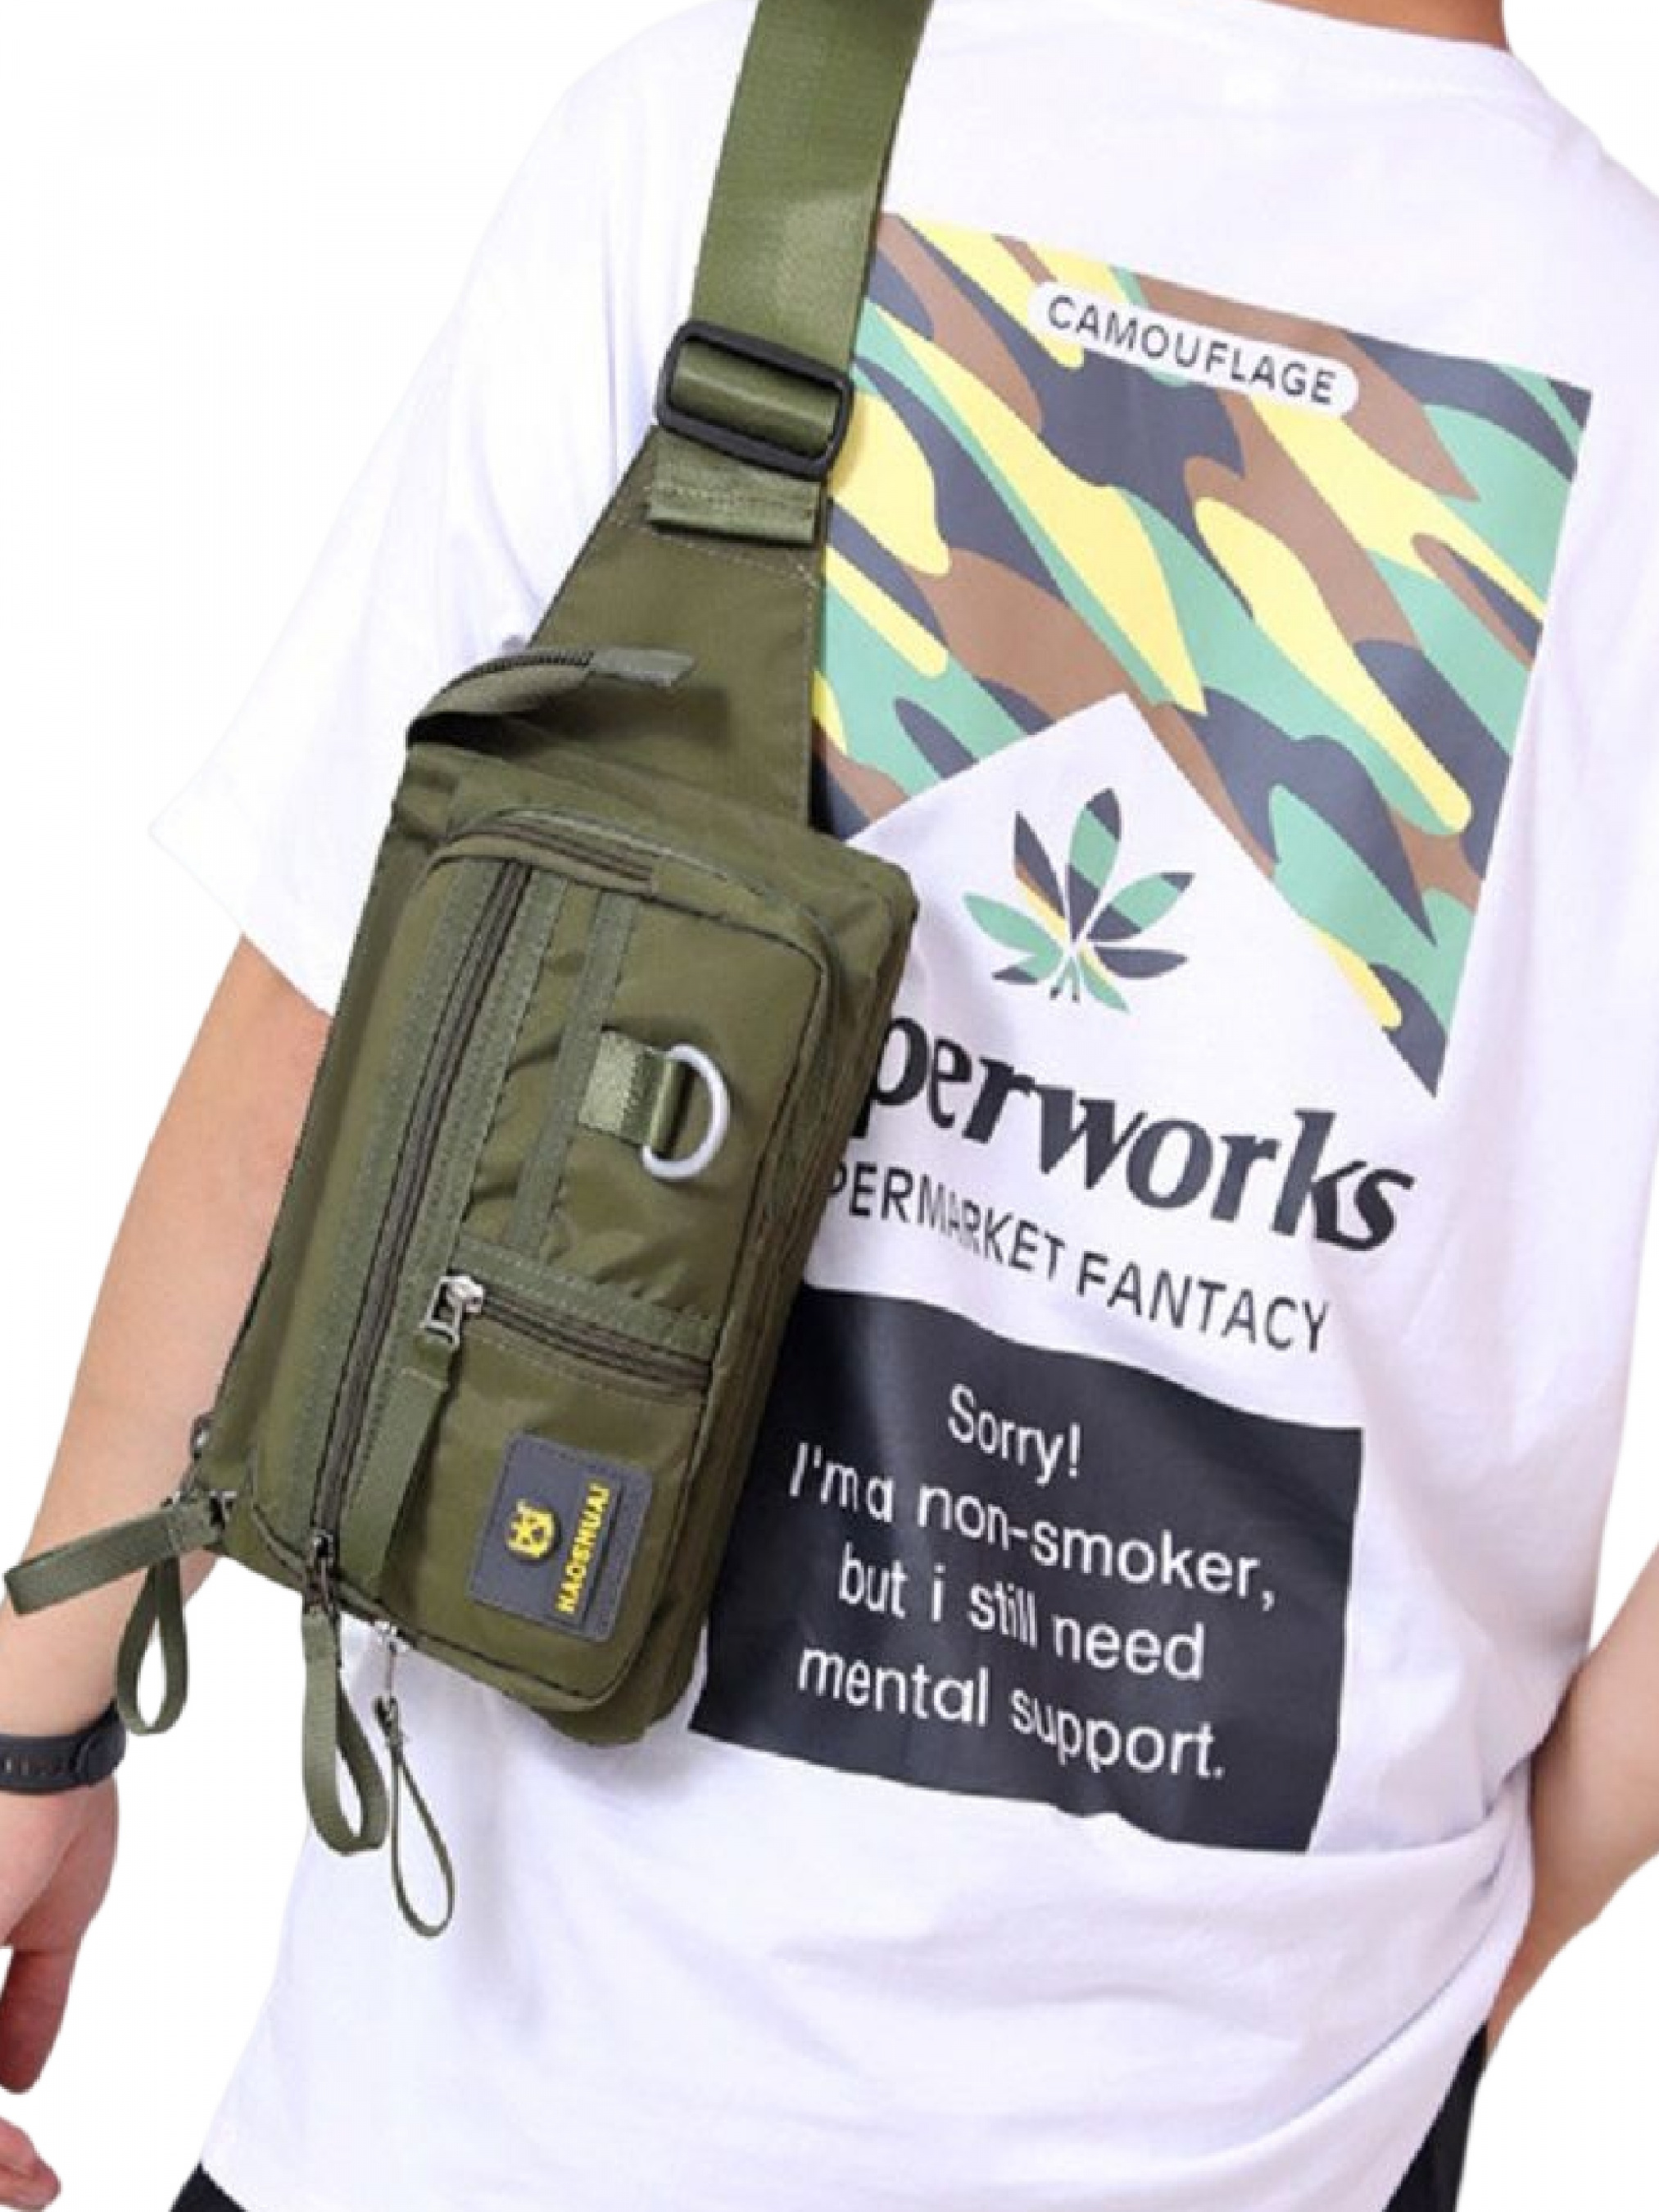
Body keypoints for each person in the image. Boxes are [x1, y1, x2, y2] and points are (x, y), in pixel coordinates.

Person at [3, 0, 1659, 2205]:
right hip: (1264, 2127)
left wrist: (41, 1710)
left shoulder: (724, 141)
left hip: (497, 2103)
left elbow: (334, 1017)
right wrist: (1484, 1955)